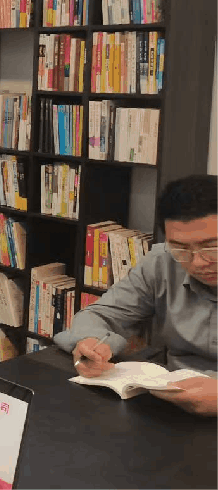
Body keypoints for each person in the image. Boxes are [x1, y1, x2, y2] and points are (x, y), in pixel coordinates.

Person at [52, 174, 217, 417]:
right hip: (174, 401)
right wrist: (92, 343)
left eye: (212, 247)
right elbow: (101, 314)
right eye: (181, 248)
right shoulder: (162, 261)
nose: (198, 262)